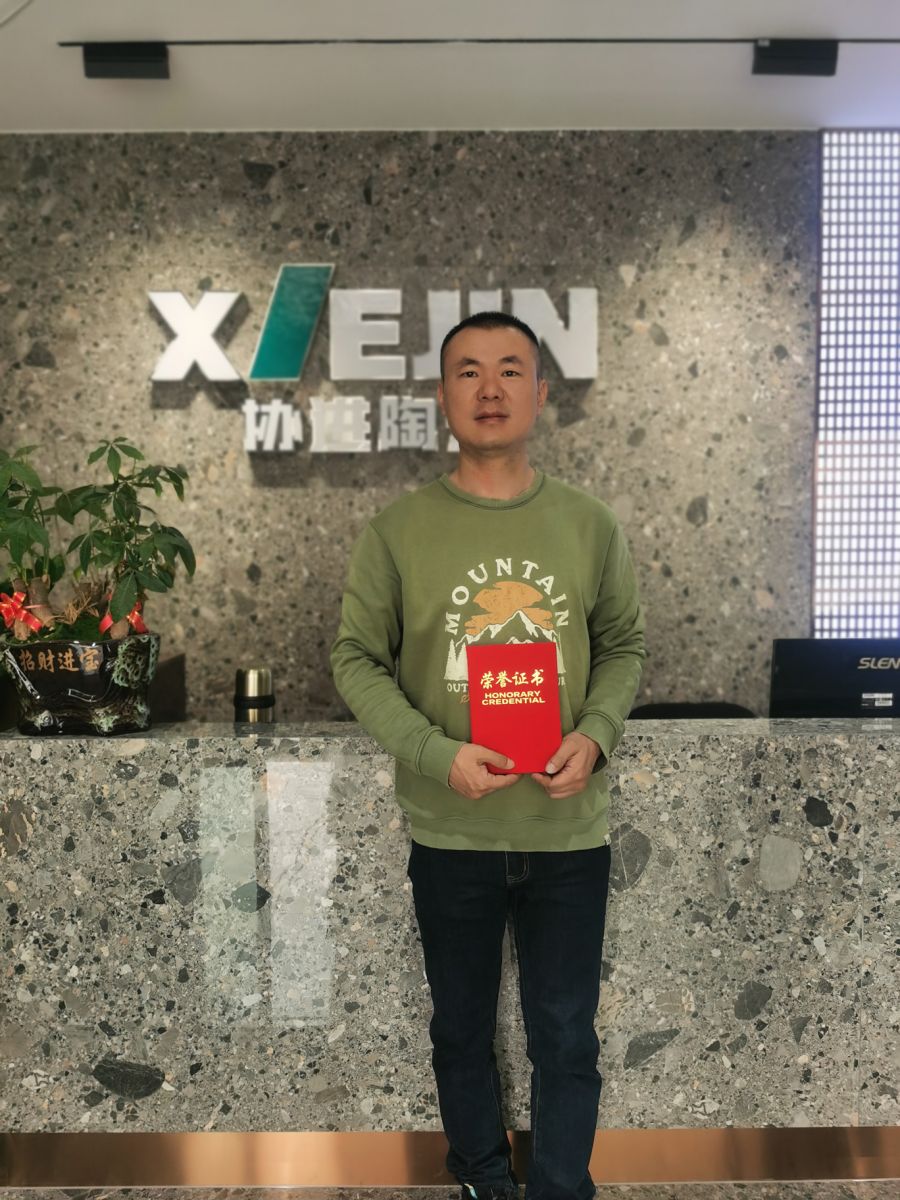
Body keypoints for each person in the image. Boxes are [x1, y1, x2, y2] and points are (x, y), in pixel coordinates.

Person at [329, 311, 646, 1200]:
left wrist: (596, 733)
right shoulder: (398, 530)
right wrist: (435, 754)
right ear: (442, 396)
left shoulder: (589, 525)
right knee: (460, 1032)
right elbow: (355, 659)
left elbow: (624, 645)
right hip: (452, 829)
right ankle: (480, 1181)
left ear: (541, 393)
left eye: (511, 369)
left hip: (566, 830)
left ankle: (559, 1190)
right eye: (469, 371)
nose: (491, 388)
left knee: (566, 1037)